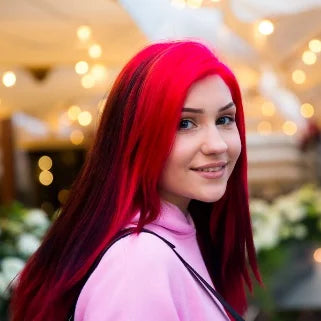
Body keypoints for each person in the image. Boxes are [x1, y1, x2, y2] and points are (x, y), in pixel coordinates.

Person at [10, 40, 261, 321]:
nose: (217, 145)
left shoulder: (177, 235)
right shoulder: (139, 262)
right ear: (135, 138)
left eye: (225, 119)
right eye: (185, 123)